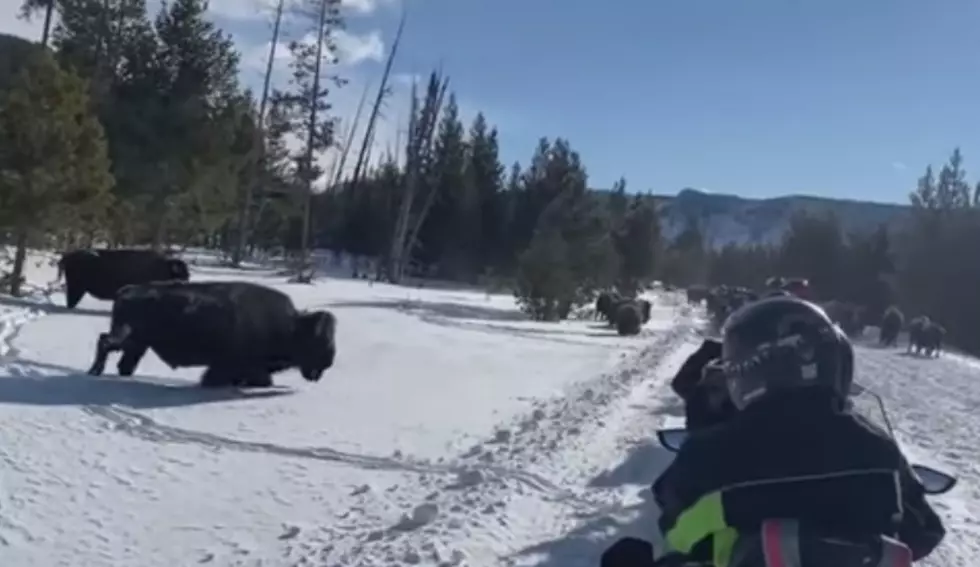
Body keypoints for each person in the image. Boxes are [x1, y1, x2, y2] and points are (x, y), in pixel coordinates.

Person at [603, 296, 946, 567]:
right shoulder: (878, 450)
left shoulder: (708, 452)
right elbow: (924, 533)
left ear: (744, 373)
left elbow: (677, 534)